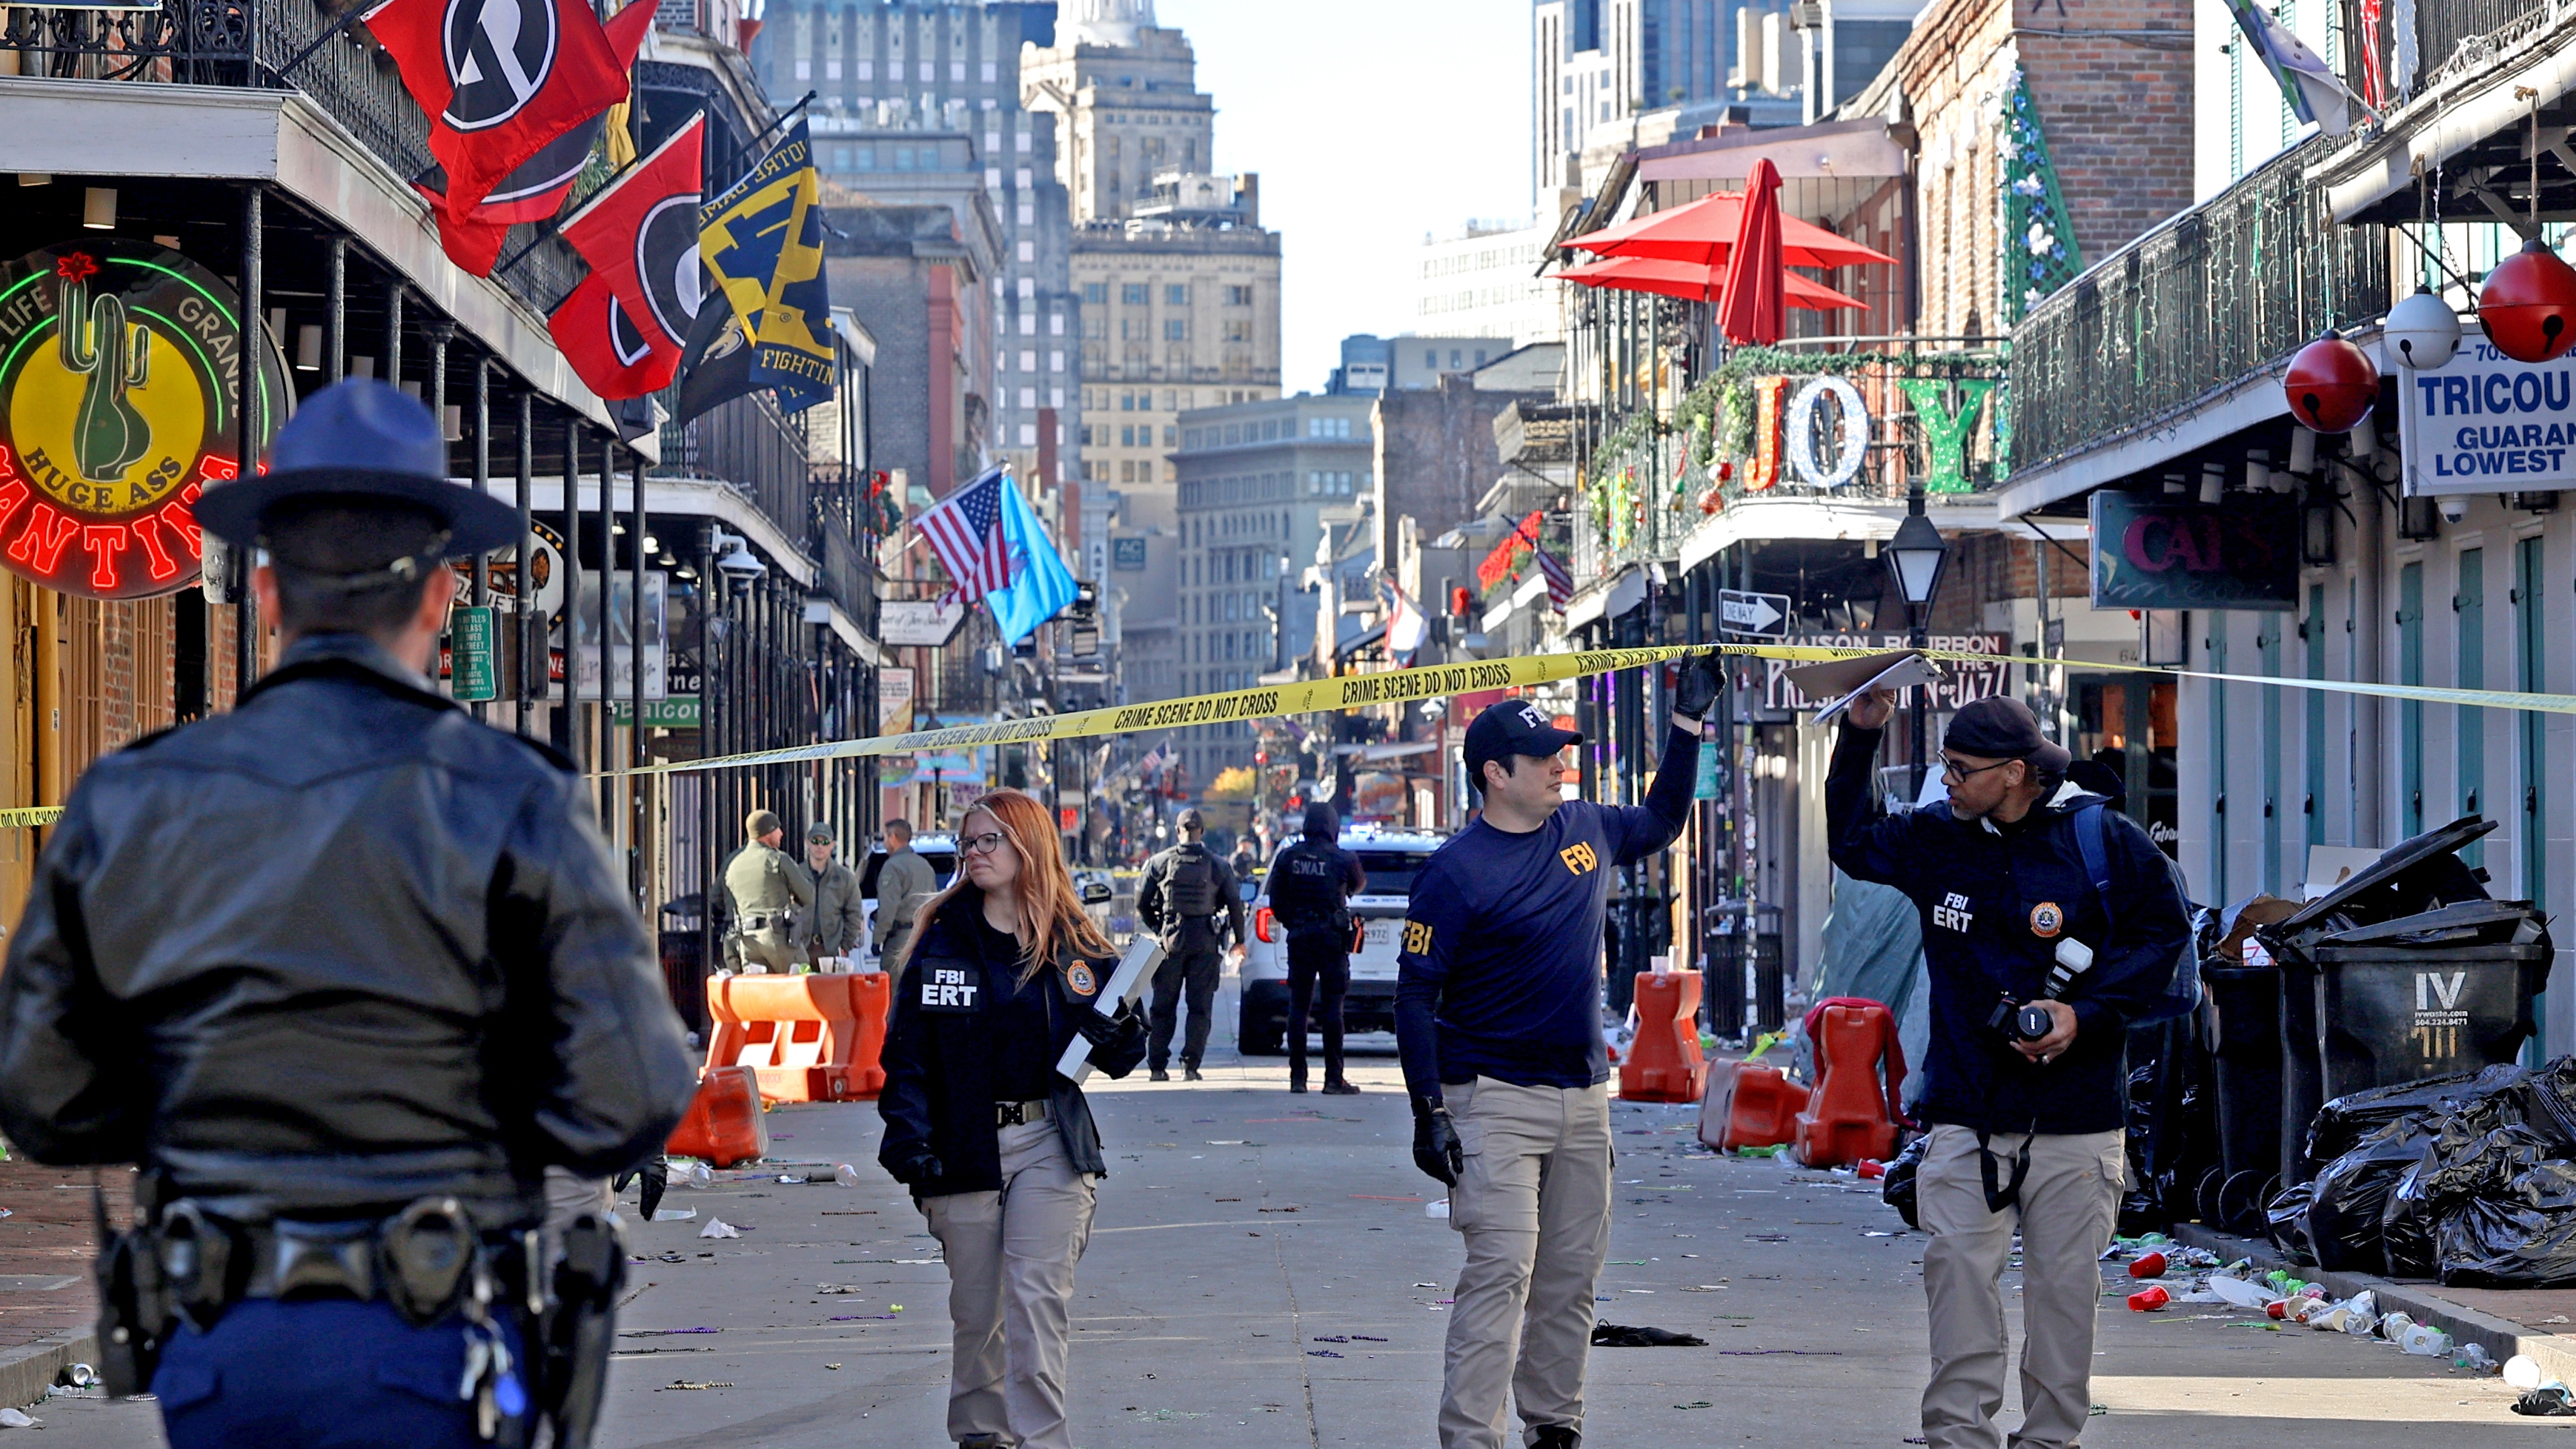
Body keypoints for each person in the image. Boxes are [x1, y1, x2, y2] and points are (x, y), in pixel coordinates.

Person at [0, 378, 697, 1449]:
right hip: (438, 1324)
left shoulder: (134, 794)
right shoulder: (516, 794)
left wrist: (201, 1090)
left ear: (268, 590)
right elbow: (635, 1092)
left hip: (223, 1338)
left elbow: (41, 1093)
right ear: (439, 596)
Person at [1827, 692, 2188, 1449]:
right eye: (1942, 765)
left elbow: (2163, 932)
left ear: (2017, 771)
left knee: (2062, 1295)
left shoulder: (2100, 840)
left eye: (1960, 768)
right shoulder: (1937, 837)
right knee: (1955, 1272)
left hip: (2076, 1115)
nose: (1946, 780)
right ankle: (1957, 1435)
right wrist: (1858, 735)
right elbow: (1853, 841)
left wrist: (2081, 1015)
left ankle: (2049, 1438)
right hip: (1966, 1108)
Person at [1396, 656, 1721, 1449]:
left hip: (1582, 1098)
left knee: (1569, 1279)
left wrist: (1685, 722)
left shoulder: (1585, 829)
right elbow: (1413, 996)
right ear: (1494, 773)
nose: (1560, 767)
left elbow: (1662, 819)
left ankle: (1553, 1424)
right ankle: (1472, 1435)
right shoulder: (1453, 873)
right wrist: (1428, 1110)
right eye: (1544, 759)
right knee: (1500, 1274)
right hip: (1492, 1103)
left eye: (1561, 755)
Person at [877, 789, 1147, 1449]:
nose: (973, 853)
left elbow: (1123, 1049)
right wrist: (909, 1140)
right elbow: (906, 1053)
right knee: (979, 1312)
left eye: (987, 840)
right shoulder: (941, 938)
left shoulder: (1073, 942)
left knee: (1035, 1303)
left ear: (1027, 845)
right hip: (963, 1145)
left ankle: (1042, 1441)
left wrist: (1121, 1034)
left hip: (1049, 1143)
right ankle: (981, 1437)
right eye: (967, 842)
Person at [1136, 808, 1246, 1081]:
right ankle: (1191, 1066)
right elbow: (1235, 905)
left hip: (1171, 940)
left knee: (1163, 1007)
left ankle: (1158, 1067)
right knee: (1199, 1007)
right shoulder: (1219, 865)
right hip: (1205, 941)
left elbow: (1141, 902)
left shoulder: (1159, 862)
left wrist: (1159, 927)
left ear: (1177, 831)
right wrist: (1239, 941)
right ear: (1202, 832)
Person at [1264, 803, 1367, 1095]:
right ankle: (1333, 1079)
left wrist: (1294, 923)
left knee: (1298, 1006)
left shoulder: (1288, 857)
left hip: (1300, 937)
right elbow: (1359, 884)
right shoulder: (1343, 858)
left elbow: (1276, 902)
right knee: (1333, 1007)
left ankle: (1298, 1079)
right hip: (1332, 939)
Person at [723, 809, 812, 972]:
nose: (781, 833)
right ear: (768, 833)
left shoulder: (733, 866)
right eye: (777, 829)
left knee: (759, 992)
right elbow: (808, 896)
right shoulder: (778, 860)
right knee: (801, 980)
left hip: (747, 941)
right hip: (777, 938)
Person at [875, 817, 939, 969]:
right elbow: (935, 901)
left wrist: (877, 939)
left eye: (885, 837)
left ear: (893, 838)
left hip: (900, 939)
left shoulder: (893, 866)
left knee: (895, 987)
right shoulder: (925, 865)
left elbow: (888, 908)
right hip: (923, 937)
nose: (884, 842)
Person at [802, 822, 866, 966]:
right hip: (801, 949)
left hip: (831, 950)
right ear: (807, 843)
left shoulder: (845, 877)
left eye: (825, 842)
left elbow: (854, 914)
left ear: (832, 845)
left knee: (831, 988)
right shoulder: (797, 874)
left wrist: (845, 946)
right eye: (815, 841)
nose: (820, 846)